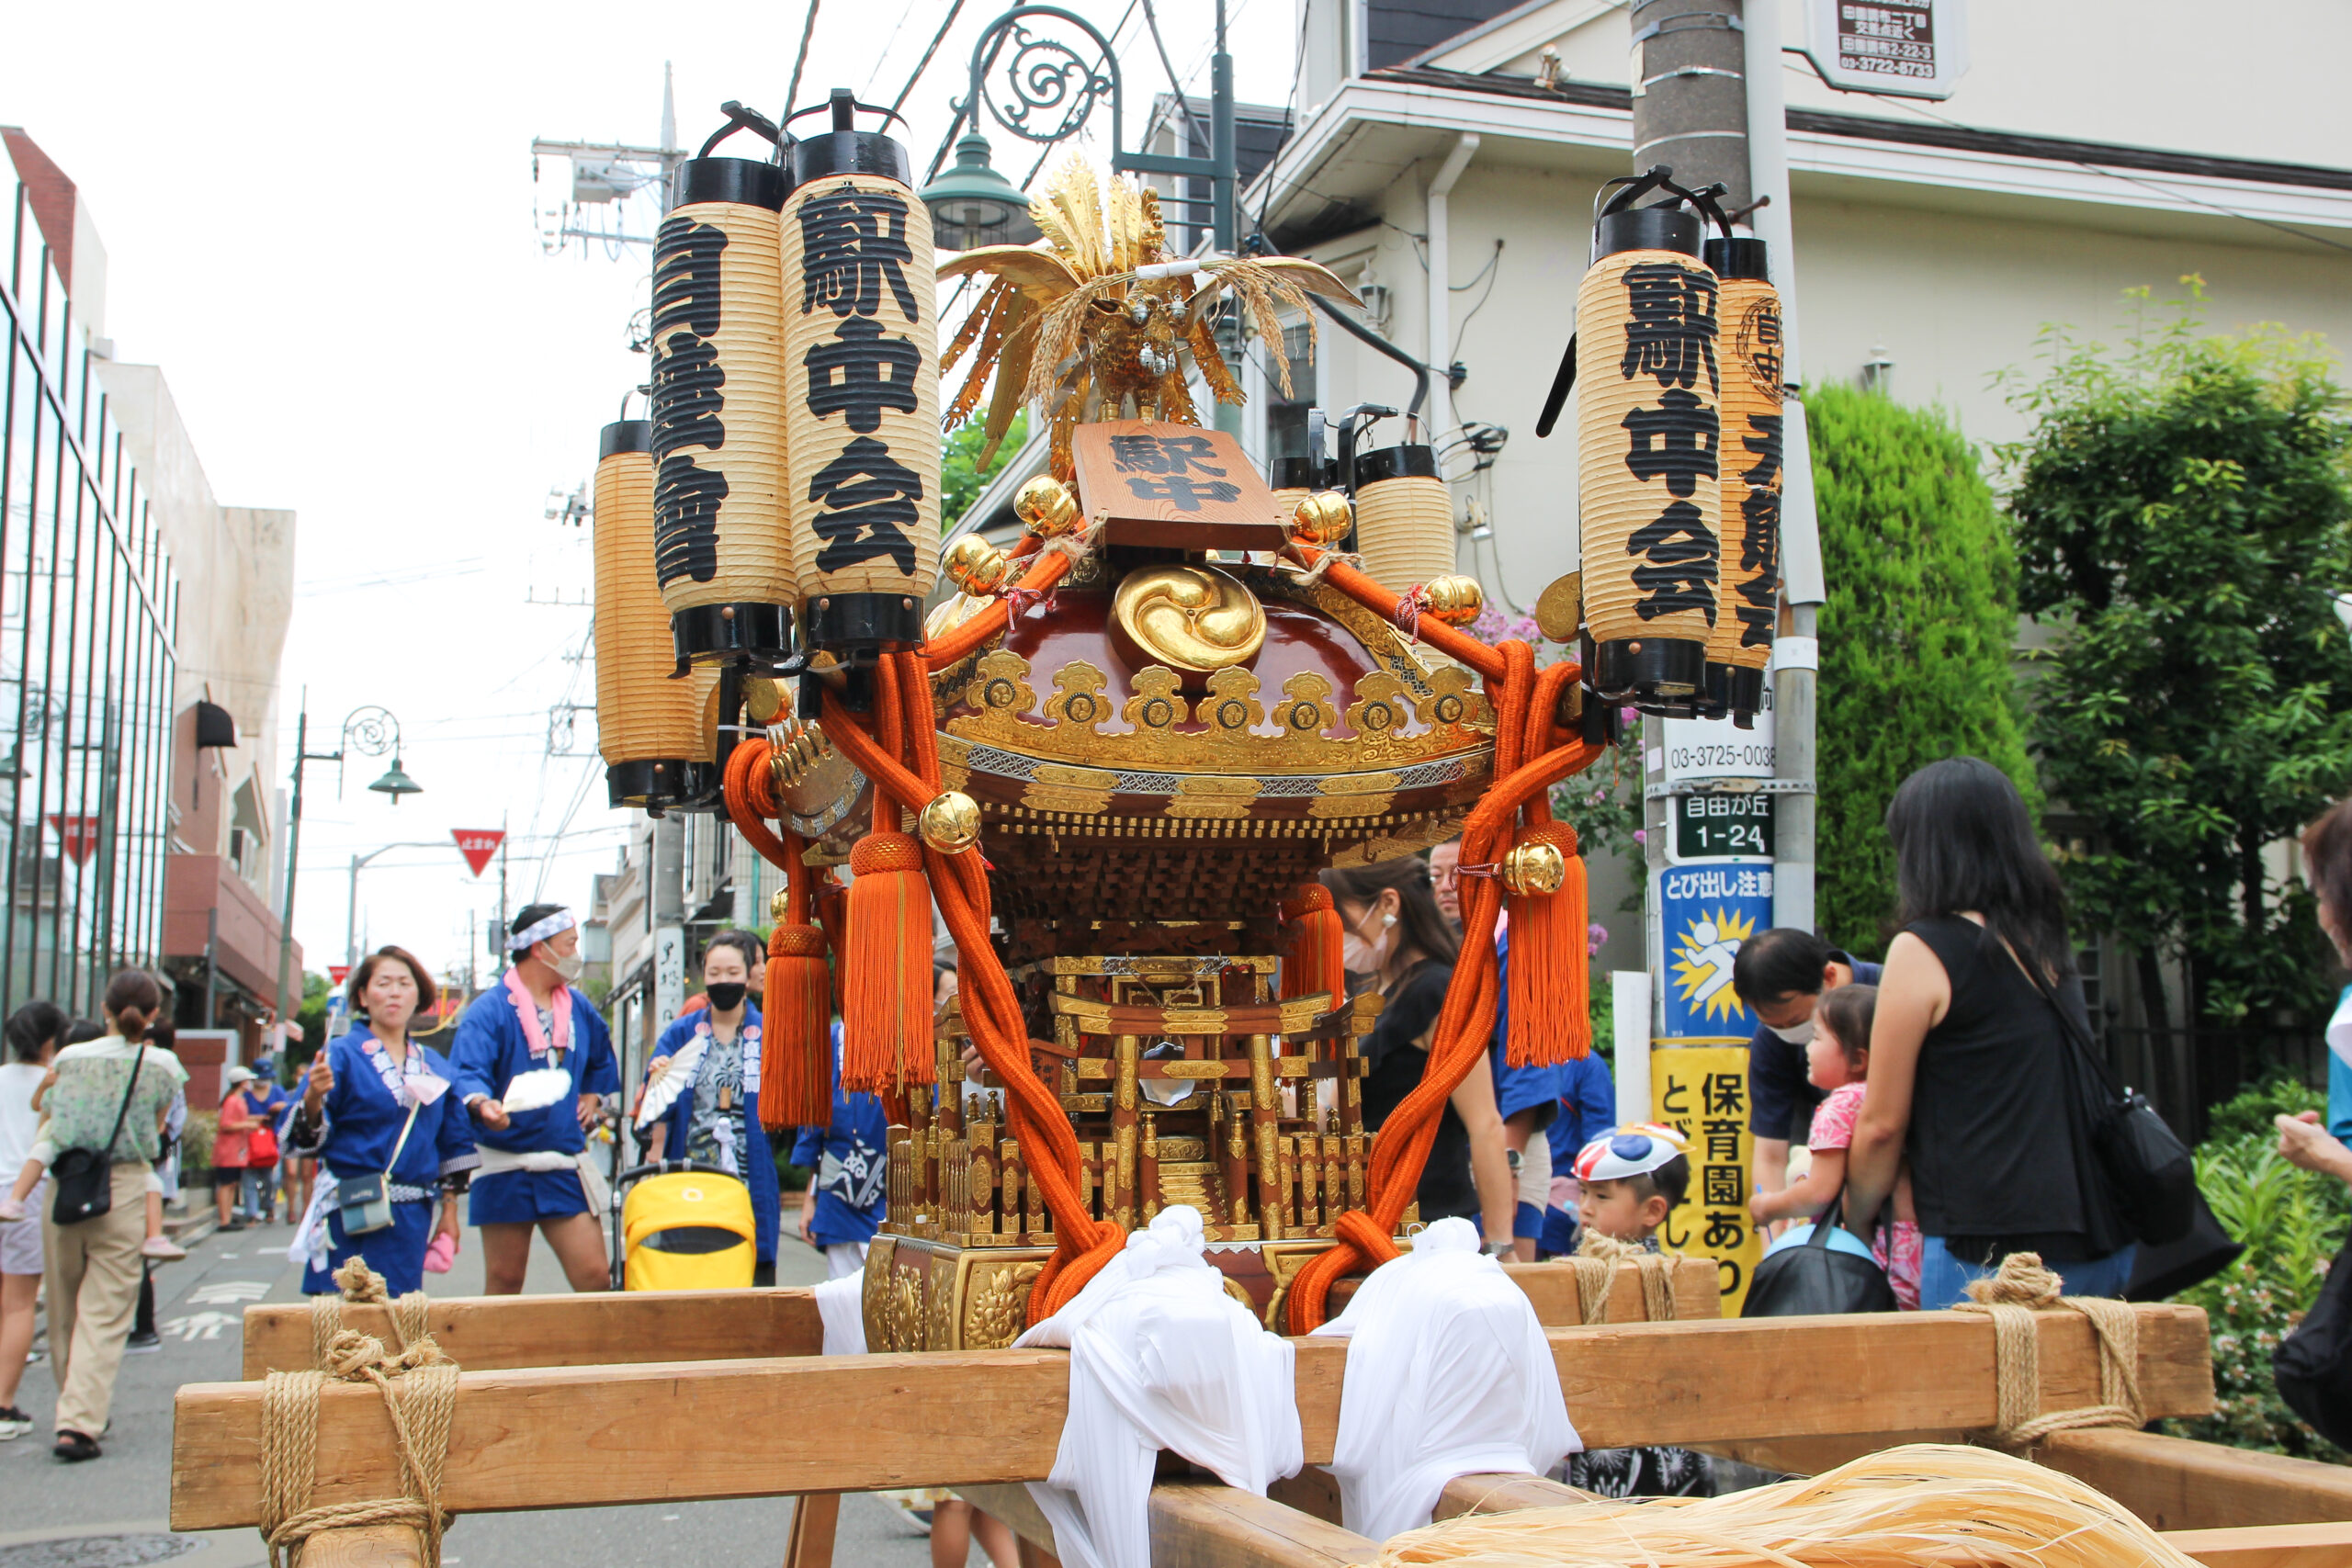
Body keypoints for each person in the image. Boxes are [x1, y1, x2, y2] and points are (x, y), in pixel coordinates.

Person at [1843, 757, 2134, 1310]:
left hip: (1987, 1247)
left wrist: (1854, 1220)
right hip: (2098, 1229)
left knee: (1968, 1397)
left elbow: (1881, 1123)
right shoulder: (2045, 940)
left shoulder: (1923, 947)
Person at [16, 971, 185, 1461]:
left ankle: (78, 1408)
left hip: (66, 1184)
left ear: (105, 1009)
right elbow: (157, 1131)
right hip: (127, 1187)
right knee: (106, 1311)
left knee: (64, 1304)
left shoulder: (69, 1057)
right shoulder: (163, 1065)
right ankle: (79, 1419)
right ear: (153, 1016)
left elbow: (48, 1117)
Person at [1321, 859, 1513, 1247]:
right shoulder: (1379, 994)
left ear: (1389, 904)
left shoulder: (1438, 990)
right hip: (1375, 1218)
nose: (1335, 935)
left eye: (1340, 918)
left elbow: (1485, 1124)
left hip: (1429, 1224)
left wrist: (1501, 1246)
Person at [287, 947, 478, 1297]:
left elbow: (454, 1142)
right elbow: (303, 1135)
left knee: (400, 1322)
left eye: (404, 983)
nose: (394, 992)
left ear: (418, 995)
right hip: (350, 1209)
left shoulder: (435, 1065)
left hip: (410, 1218)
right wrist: (314, 1096)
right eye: (384, 982)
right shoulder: (340, 1055)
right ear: (362, 994)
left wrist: (449, 1211)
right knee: (342, 1327)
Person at [452, 903, 619, 1294]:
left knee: (595, 1277)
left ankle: (594, 1355)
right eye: (570, 943)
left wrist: (593, 1095)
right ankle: (498, 1357)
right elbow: (467, 1071)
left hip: (561, 1160)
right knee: (505, 1280)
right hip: (504, 1161)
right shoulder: (489, 1010)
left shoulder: (578, 1006)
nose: (577, 953)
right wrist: (481, 1104)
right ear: (540, 949)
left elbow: (600, 1055)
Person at [1747, 985, 1922, 1308]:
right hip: (1918, 1241)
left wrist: (1767, 1206)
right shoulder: (1898, 1094)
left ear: (1857, 1058)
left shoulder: (1841, 1105)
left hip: (1880, 1250)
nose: (1807, 1050)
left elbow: (1819, 1192)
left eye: (1816, 1037)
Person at [1434, 838, 1565, 1262]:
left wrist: (1507, 1161)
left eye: (1457, 873)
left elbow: (1528, 1061)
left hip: (1507, 1139)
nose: (1445, 887)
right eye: (1435, 877)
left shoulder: (1514, 939)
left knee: (1511, 1281)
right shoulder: (1433, 954)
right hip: (1451, 1147)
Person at [1562, 1124, 1709, 1497]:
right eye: (1582, 1192)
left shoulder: (1669, 1274)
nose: (1585, 1208)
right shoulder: (1576, 1269)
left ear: (1653, 1210)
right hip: (1598, 1439)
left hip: (1659, 1442)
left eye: (1601, 1196)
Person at [645, 931, 780, 1285]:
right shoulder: (680, 1033)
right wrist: (657, 1076)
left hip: (748, 1173)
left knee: (749, 1270)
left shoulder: (769, 1032)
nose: (723, 981)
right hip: (691, 1170)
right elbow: (654, 1101)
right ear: (702, 974)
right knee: (689, 1266)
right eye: (715, 973)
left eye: (732, 972)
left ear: (749, 975)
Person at [1729, 930, 1881, 1223]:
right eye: (1775, 1025)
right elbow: (1770, 1155)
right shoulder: (1772, 1039)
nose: (1790, 1033)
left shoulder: (1893, 994)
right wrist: (1774, 1251)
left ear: (1829, 978)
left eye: (1799, 1023)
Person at [0, 1000, 65, 1439]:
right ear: (49, 1041)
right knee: (20, 1303)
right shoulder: (55, 1082)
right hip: (26, 1191)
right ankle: (3, 1405)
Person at [791, 1017, 888, 1279]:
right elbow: (814, 1125)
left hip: (893, 1186)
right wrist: (810, 1201)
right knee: (843, 1297)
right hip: (839, 1186)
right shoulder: (829, 1039)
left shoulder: (905, 1030)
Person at [1540, 1050, 1616, 1259]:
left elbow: (1598, 1145)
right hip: (1508, 1197)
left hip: (1565, 1208)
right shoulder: (1504, 1056)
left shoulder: (1586, 1065)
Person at [210, 1065, 263, 1231]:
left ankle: (227, 1216)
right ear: (241, 1082)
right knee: (226, 1183)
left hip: (237, 1149)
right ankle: (224, 1219)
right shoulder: (232, 1100)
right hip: (229, 1149)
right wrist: (248, 1123)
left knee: (232, 1183)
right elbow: (226, 1124)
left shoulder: (237, 1099)